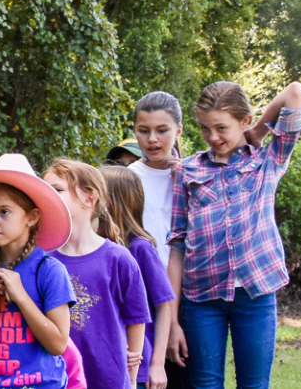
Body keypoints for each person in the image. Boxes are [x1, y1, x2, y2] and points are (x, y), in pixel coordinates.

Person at [167, 81, 301, 389]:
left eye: (222, 127)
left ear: (243, 121)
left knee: (254, 385)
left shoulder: (267, 160)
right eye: (205, 129)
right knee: (204, 384)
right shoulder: (187, 170)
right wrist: (172, 321)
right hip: (201, 299)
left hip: (255, 295)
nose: (213, 137)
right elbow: (177, 246)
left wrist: (258, 131)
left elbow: (295, 92)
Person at [0, 154, 78, 389]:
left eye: (4, 211)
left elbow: (58, 344)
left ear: (31, 217)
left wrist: (21, 296)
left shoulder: (50, 271)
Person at [42, 159, 150, 389]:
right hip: (56, 377)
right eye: (44, 190)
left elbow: (137, 318)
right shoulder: (43, 261)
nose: (47, 197)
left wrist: (131, 377)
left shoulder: (119, 259)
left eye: (57, 190)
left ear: (89, 198)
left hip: (108, 377)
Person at [126, 91, 192, 389]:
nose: (152, 139)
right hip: (144, 297)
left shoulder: (195, 174)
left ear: (178, 131)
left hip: (191, 296)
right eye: (144, 131)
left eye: (162, 130)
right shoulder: (126, 179)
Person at [99, 166, 178, 389]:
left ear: (111, 202)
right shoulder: (93, 248)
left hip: (138, 368)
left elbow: (163, 306)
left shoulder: (141, 248)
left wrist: (158, 364)